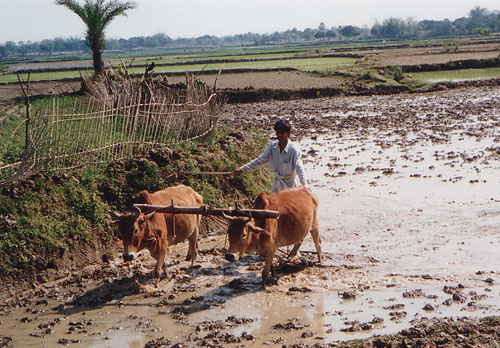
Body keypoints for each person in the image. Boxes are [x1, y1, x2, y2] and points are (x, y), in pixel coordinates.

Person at [232, 118, 308, 193]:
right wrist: (242, 169)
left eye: (282, 133)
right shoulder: (273, 147)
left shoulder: (294, 150)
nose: (279, 135)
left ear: (288, 133)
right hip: (277, 186)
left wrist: (305, 186)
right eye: (277, 133)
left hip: (291, 187)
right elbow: (259, 161)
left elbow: (300, 169)